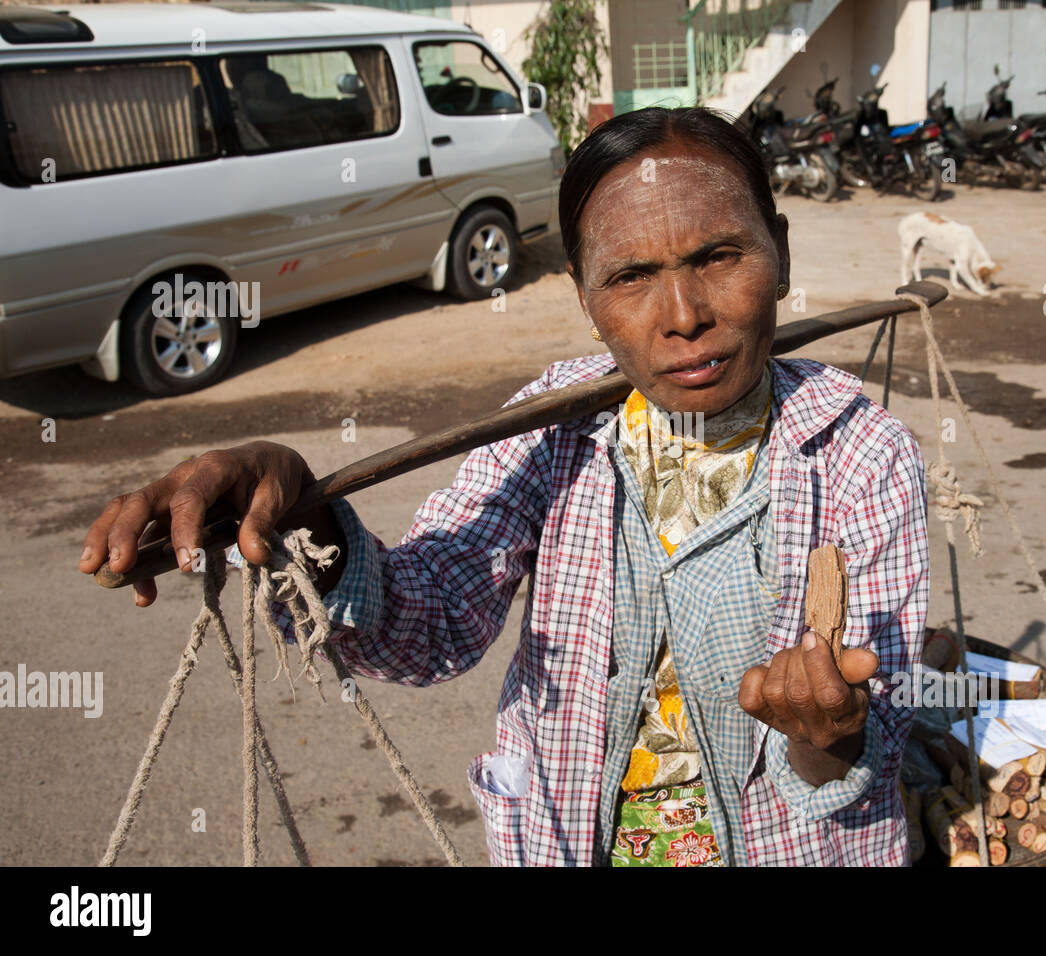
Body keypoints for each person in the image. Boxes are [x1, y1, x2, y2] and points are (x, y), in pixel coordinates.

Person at [79, 106, 929, 866]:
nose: (682, 314)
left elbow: (869, 742)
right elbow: (432, 620)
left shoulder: (861, 457)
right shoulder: (552, 428)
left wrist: (829, 735)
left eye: (719, 255)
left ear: (778, 252)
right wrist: (312, 523)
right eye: (630, 277)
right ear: (585, 297)